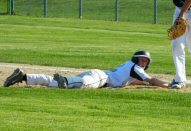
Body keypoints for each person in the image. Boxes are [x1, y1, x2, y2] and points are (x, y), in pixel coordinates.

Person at [4, 50, 170, 89]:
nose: (143, 63)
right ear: (136, 60)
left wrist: (146, 84)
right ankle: (67, 81)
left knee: (54, 84)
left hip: (99, 74)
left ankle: (24, 76)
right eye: (142, 59)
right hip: (101, 78)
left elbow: (137, 82)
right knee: (84, 84)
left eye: (146, 61)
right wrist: (167, 85)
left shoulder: (130, 69)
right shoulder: (134, 67)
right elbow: (150, 80)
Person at [171, 0, 191, 88]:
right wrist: (181, 13)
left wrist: (181, 14)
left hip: (186, 10)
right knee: (176, 44)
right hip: (179, 10)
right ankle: (180, 79)